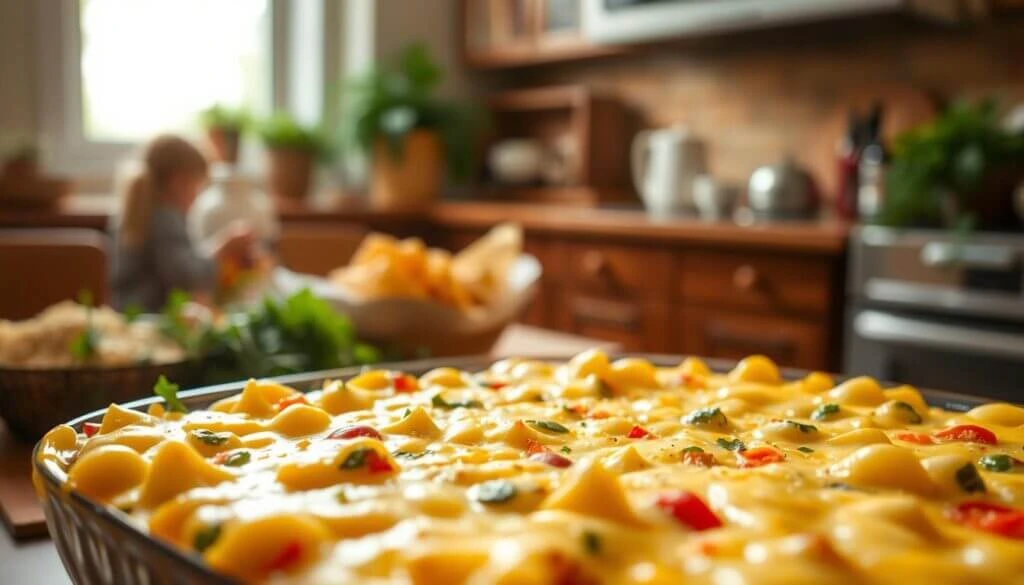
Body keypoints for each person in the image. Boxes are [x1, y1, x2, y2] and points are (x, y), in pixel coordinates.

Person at [109, 135, 254, 311]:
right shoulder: (164, 218)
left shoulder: (138, 212)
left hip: (125, 310)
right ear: (177, 182)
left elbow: (179, 263)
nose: (196, 197)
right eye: (196, 187)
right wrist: (224, 249)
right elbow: (187, 278)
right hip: (149, 315)